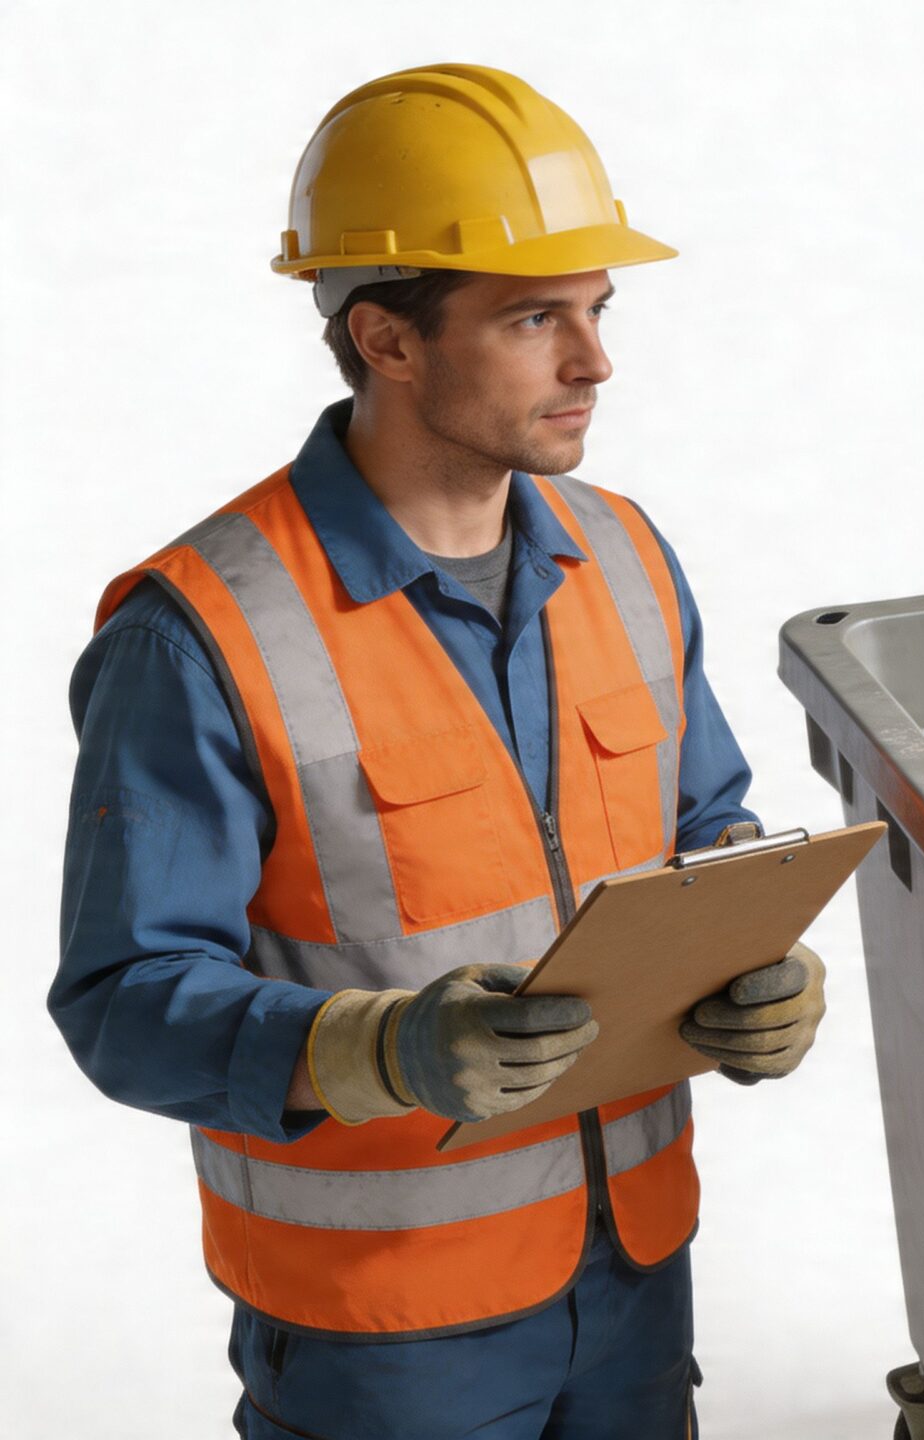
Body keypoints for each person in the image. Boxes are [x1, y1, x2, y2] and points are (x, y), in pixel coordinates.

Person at [51, 63, 826, 1438]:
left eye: (596, 310)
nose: (593, 362)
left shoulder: (625, 556)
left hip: (634, 1276)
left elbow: (706, 821)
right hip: (382, 1334)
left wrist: (757, 961)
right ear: (386, 340)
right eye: (535, 318)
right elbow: (122, 1005)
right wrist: (380, 1050)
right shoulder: (204, 633)